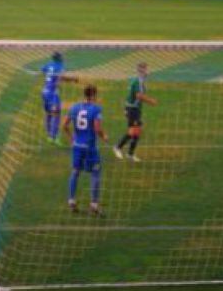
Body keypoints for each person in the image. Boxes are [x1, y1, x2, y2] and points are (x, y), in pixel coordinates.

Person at [62, 84, 107, 216]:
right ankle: (94, 205)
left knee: (75, 172)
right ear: (93, 95)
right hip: (90, 148)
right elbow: (97, 129)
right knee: (95, 173)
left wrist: (71, 139)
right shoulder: (96, 109)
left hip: (77, 147)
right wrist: (104, 136)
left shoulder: (74, 107)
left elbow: (64, 125)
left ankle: (71, 200)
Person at [114, 63, 157, 162]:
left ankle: (130, 154)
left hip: (135, 108)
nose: (148, 72)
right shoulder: (137, 81)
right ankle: (118, 147)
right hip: (132, 109)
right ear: (141, 71)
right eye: (146, 70)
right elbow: (138, 96)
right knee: (134, 130)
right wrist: (151, 101)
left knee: (137, 131)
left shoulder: (140, 81)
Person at [41, 52, 78, 145]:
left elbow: (43, 70)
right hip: (53, 94)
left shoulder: (49, 64)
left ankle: (49, 135)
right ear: (58, 58)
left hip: (45, 92)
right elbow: (62, 77)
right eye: (61, 57)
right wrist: (73, 79)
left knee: (49, 113)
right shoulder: (59, 66)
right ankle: (54, 137)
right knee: (56, 114)